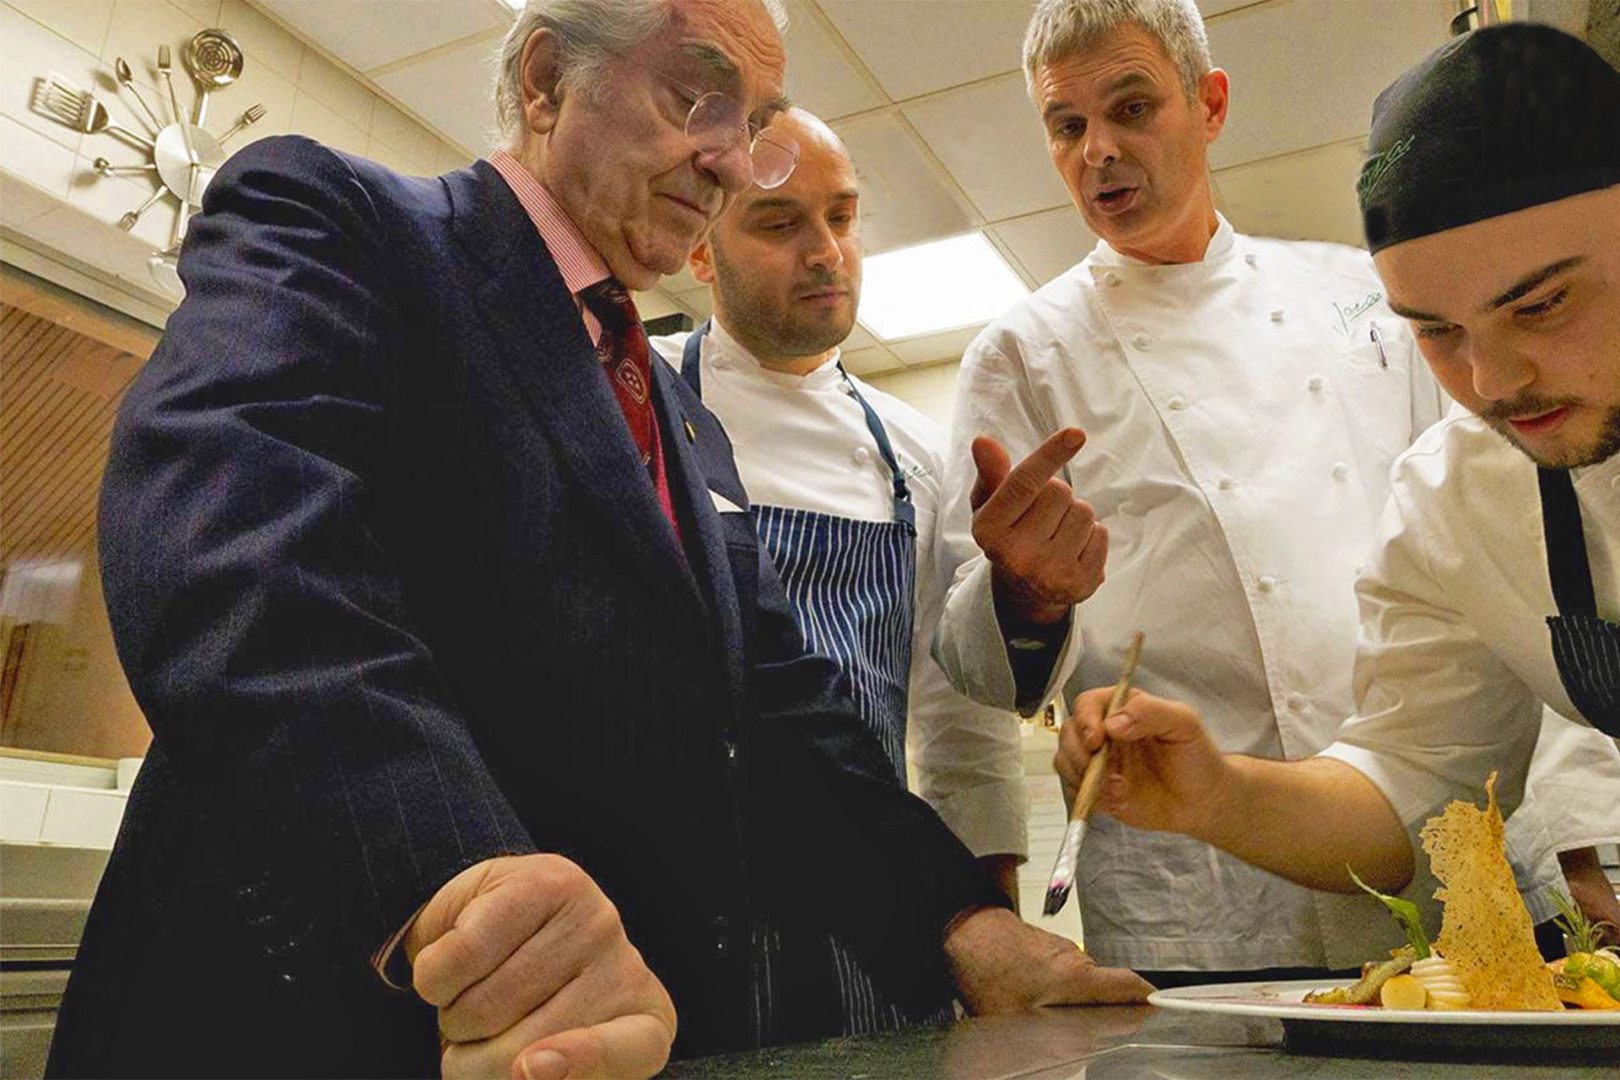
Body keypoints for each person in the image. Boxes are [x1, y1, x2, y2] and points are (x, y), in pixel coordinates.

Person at [45, 2, 1150, 1077]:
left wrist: (962, 923)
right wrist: (466, 886)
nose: (729, 160)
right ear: (543, 81)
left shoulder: (679, 417)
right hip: (299, 1026)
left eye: (754, 123)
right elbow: (234, 546)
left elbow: (775, 716)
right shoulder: (345, 222)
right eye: (697, 97)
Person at [932, 0, 1620, 985]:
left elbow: (1521, 607)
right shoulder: (1022, 352)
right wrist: (1026, 599)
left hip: (1454, 863)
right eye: (1067, 126)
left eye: (1131, 108)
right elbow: (1473, 655)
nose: (1099, 152)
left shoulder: (1369, 299)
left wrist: (1570, 836)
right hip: (1203, 886)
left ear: (1209, 105)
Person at [649, 108, 1027, 914]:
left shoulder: (917, 451)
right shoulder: (638, 398)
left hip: (879, 902)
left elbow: (962, 722)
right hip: (680, 902)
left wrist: (991, 924)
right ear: (698, 251)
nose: (826, 252)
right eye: (779, 222)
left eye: (843, 217)